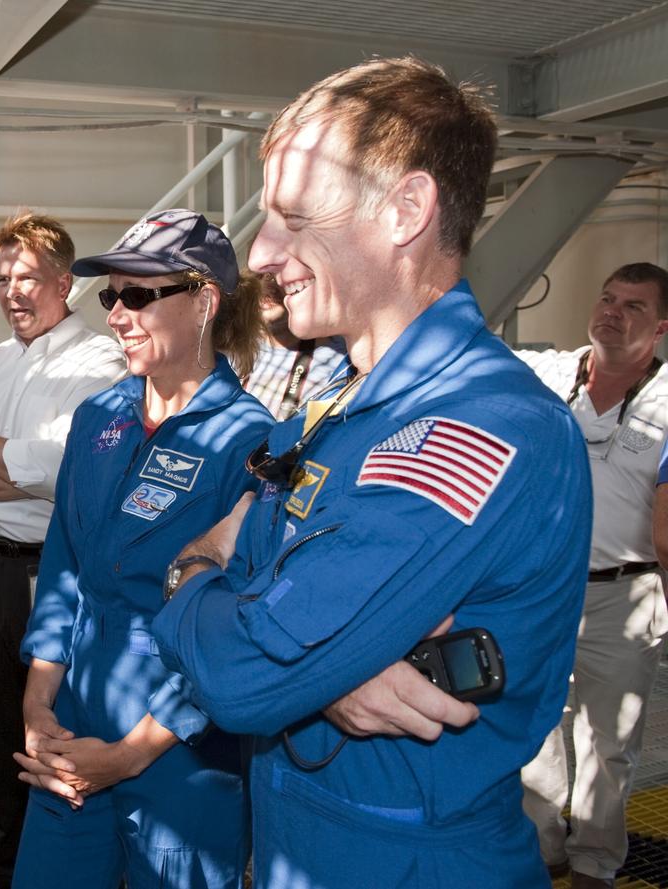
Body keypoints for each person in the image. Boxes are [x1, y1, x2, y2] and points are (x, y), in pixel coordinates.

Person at [148, 58, 591, 888]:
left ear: (407, 210)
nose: (262, 251)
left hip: (408, 860)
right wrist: (324, 669)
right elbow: (264, 644)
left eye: (294, 217)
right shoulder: (330, 420)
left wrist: (200, 573)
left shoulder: (482, 425)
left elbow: (247, 676)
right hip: (294, 840)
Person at [11, 209, 268, 888]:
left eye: (140, 295)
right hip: (74, 710)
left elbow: (236, 624)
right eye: (111, 297)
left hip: (179, 735)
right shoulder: (100, 418)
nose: (118, 314)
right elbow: (65, 562)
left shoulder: (250, 443)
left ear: (205, 301)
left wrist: (128, 755)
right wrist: (38, 705)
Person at [0, 210, 127, 889]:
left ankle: (63, 871)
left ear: (64, 284)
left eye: (27, 277)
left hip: (52, 574)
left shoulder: (98, 360)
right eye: (2, 277)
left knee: (53, 733)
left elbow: (66, 467)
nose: (13, 290)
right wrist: (9, 470)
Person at [518, 262, 668, 889]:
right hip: (544, 589)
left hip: (625, 593)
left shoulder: (666, 401)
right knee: (537, 728)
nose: (612, 311)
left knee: (610, 742)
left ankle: (595, 866)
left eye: (632, 306)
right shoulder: (547, 374)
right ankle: (544, 849)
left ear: (659, 327)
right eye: (608, 298)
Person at [243, 274, 346, 420]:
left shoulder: (338, 360)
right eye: (258, 276)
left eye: (275, 275)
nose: (266, 286)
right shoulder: (232, 351)